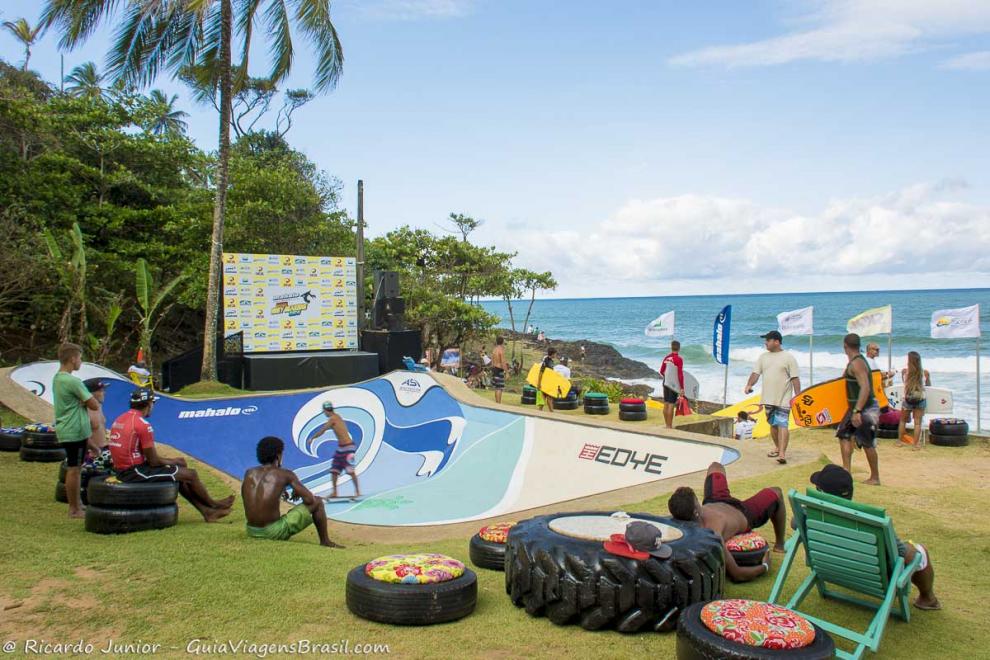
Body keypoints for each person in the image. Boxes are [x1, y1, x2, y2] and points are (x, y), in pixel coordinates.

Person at [808, 464, 940, 610]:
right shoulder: (872, 522)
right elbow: (902, 553)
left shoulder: (808, 515)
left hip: (829, 568)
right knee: (919, 551)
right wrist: (912, 551)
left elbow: (795, 524)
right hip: (873, 578)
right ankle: (927, 599)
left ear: (820, 492)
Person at [108, 388, 234, 522]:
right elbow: (154, 462)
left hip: (126, 468)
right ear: (149, 404)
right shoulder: (142, 425)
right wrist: (174, 461)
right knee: (190, 474)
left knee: (180, 474)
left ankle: (207, 512)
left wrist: (175, 463)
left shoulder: (121, 418)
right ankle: (213, 504)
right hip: (134, 472)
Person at [667, 462, 785, 582]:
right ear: (696, 512)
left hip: (715, 499)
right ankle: (780, 545)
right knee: (777, 492)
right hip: (744, 513)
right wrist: (764, 567)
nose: (698, 501)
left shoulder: (679, 517)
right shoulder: (713, 534)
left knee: (716, 466)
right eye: (696, 500)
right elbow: (737, 574)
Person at [242, 436, 343, 548]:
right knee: (318, 502)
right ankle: (325, 541)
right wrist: (298, 491)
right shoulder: (285, 474)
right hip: (272, 532)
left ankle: (325, 541)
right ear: (278, 455)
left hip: (251, 530)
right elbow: (310, 500)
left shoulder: (249, 473)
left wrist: (282, 488)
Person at [53, 343, 99, 519]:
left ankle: (78, 504)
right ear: (73, 359)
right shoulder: (73, 381)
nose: (81, 361)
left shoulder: (58, 378)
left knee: (76, 467)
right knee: (74, 469)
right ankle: (74, 508)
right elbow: (94, 405)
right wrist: (86, 400)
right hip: (73, 431)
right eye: (80, 358)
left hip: (69, 429)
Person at [744, 330, 801, 465]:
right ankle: (777, 447)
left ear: (776, 342)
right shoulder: (763, 357)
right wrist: (749, 385)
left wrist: (798, 396)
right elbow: (755, 373)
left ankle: (782, 453)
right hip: (768, 398)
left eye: (768, 340)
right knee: (773, 425)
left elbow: (795, 378)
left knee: (782, 424)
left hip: (784, 398)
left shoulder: (788, 357)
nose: (766, 343)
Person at [836, 333, 881, 486]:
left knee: (867, 442)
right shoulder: (854, 362)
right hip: (855, 407)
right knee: (843, 435)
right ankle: (846, 472)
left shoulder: (857, 363)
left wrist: (857, 411)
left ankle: (875, 478)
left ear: (845, 346)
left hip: (865, 408)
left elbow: (866, 388)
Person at [314, 401, 360, 499]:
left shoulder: (333, 419)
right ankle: (334, 492)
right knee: (334, 470)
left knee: (350, 471)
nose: (324, 414)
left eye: (324, 412)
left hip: (348, 447)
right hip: (341, 449)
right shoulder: (337, 416)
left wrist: (312, 438)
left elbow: (322, 431)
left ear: (326, 411)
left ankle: (357, 491)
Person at [898, 351, 931, 449]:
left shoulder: (904, 371)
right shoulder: (925, 373)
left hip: (908, 399)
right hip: (920, 399)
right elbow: (928, 386)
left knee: (903, 421)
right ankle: (915, 445)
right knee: (917, 423)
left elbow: (905, 383)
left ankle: (899, 441)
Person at [81, 378, 112, 473]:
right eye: (101, 391)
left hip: (103, 450)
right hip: (91, 454)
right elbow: (81, 435)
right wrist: (96, 450)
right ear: (91, 394)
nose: (104, 393)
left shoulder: (99, 406)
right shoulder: (83, 411)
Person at [659, 340, 686, 429]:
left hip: (665, 382)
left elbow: (661, 371)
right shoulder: (679, 359)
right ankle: (669, 426)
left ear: (671, 347)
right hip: (673, 384)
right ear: (679, 348)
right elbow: (680, 374)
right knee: (671, 404)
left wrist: (667, 378)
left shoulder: (666, 358)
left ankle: (667, 424)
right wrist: (681, 387)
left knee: (666, 403)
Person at [536, 347, 557, 412]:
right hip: (545, 382)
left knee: (545, 398)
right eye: (555, 354)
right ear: (552, 354)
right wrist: (539, 383)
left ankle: (541, 411)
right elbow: (541, 372)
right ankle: (551, 412)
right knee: (548, 397)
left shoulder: (551, 361)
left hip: (548, 382)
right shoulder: (546, 361)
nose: (556, 355)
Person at [491, 336, 508, 404]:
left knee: (497, 387)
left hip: (494, 369)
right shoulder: (501, 350)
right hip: (499, 369)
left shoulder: (494, 350)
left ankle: (497, 402)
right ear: (502, 342)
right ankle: (498, 403)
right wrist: (507, 372)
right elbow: (503, 362)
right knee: (499, 388)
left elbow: (492, 361)